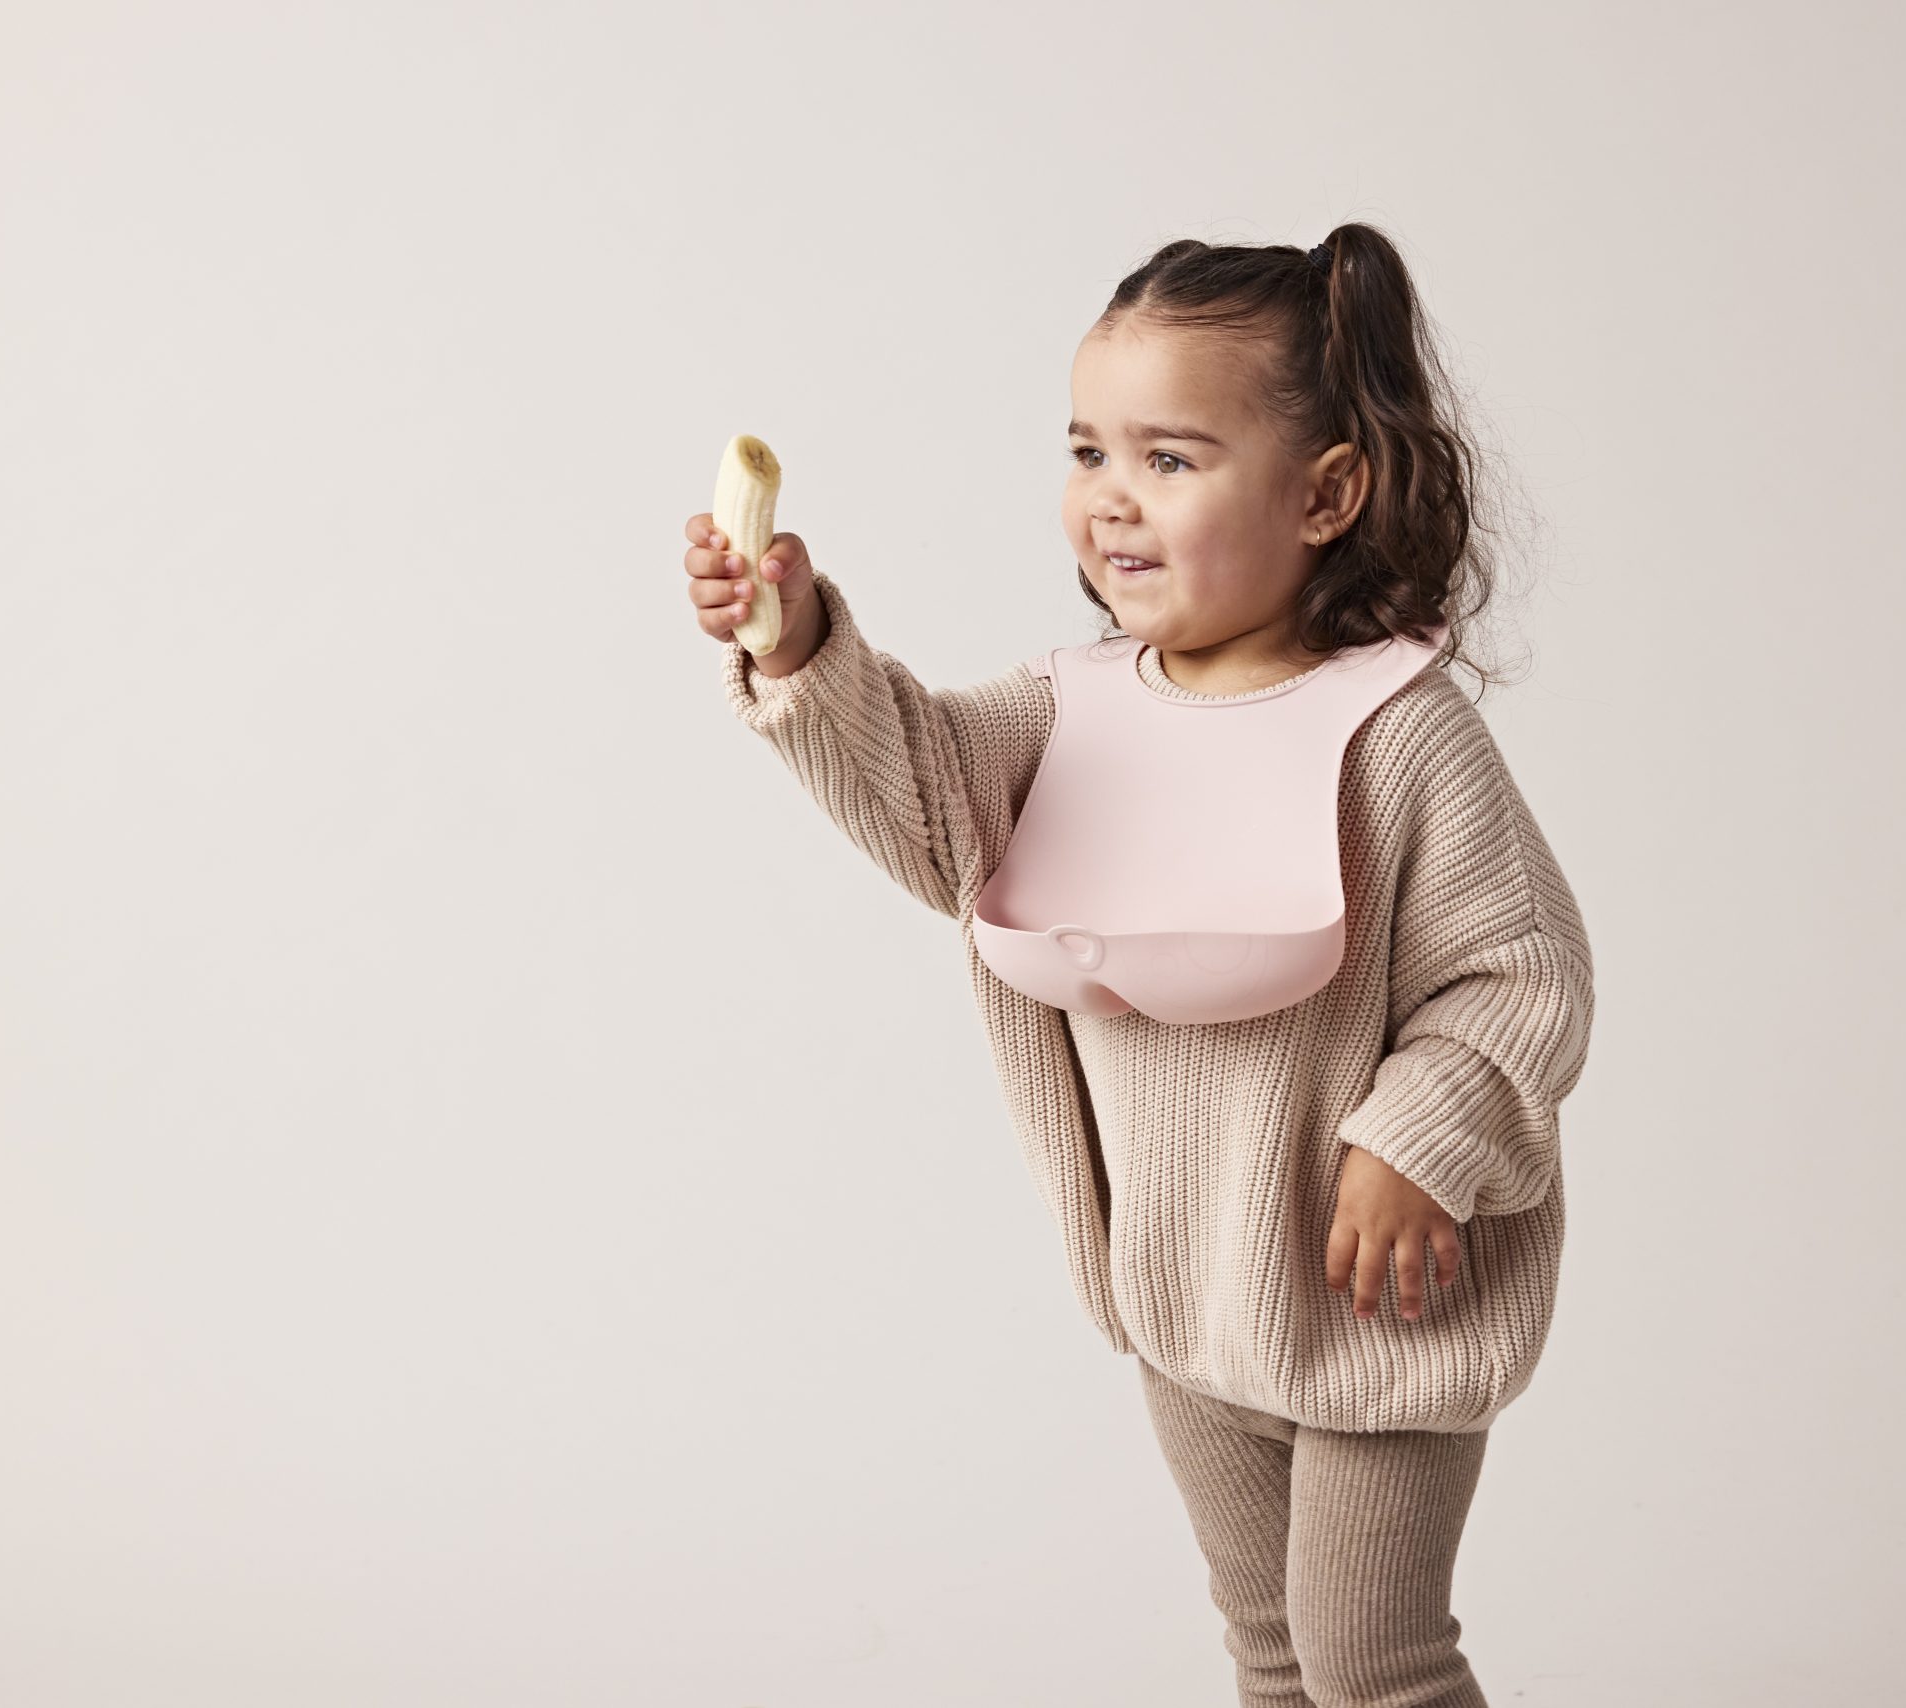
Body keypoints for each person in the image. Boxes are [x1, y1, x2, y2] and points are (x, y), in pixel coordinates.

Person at [680, 223, 1595, 1708]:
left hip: (1373, 1304)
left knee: (1374, 1662)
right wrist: (799, 653)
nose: (1112, 498)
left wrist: (1420, 1140)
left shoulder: (1398, 732)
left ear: (1326, 496)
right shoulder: (1072, 710)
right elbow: (926, 799)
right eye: (1088, 451)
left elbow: (1521, 972)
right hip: (1186, 1297)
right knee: (1273, 1651)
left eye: (1169, 459)